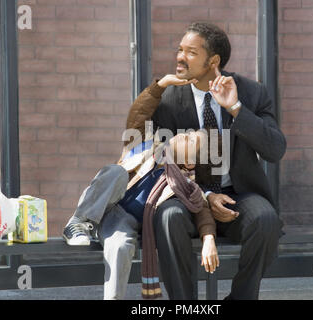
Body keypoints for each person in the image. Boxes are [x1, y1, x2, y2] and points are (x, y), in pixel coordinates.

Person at [150, 22, 287, 300]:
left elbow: (275, 149)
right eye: (179, 50)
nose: (179, 57)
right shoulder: (167, 98)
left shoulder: (251, 93)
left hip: (237, 195)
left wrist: (236, 108)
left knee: (265, 219)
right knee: (168, 217)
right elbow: (160, 161)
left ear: (213, 61)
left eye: (190, 52)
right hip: (186, 196)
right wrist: (207, 195)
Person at [62, 75, 220, 300]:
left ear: (190, 162)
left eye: (192, 140)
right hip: (108, 201)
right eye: (187, 133)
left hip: (125, 221)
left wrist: (209, 240)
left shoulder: (186, 185)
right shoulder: (146, 144)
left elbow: (203, 212)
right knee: (116, 172)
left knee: (121, 247)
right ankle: (79, 221)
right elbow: (138, 114)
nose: (185, 134)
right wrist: (161, 85)